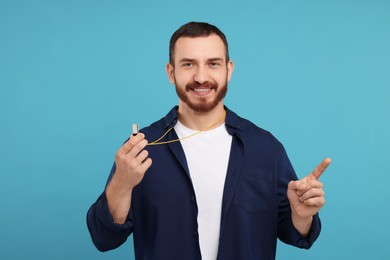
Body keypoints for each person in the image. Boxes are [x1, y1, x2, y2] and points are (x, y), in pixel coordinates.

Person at [87, 21, 331, 260]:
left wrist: (301, 216)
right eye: (188, 64)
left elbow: (295, 234)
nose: (201, 77)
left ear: (229, 69)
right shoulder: (141, 148)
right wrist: (121, 183)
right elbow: (104, 238)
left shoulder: (266, 148)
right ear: (171, 73)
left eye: (213, 64)